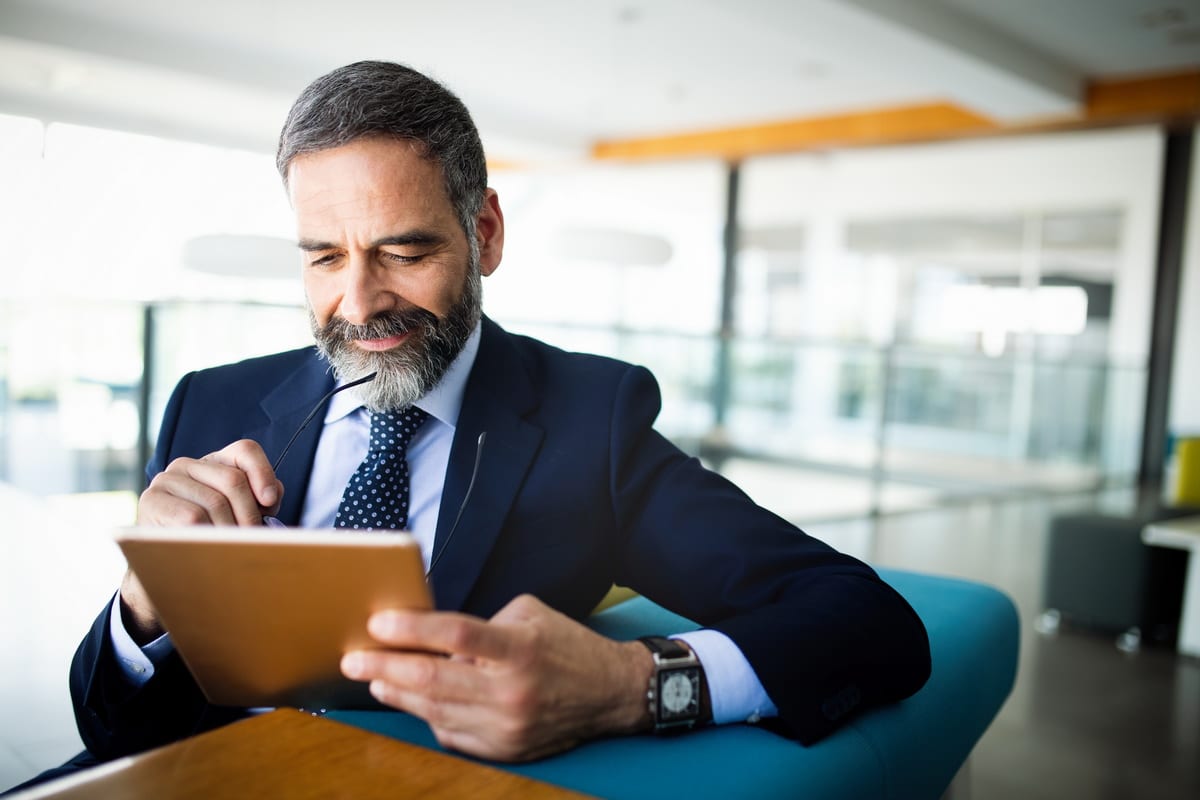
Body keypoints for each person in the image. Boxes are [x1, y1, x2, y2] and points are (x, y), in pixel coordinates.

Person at [68, 60, 930, 767]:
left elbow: (868, 622)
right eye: (324, 257)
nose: (358, 302)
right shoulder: (206, 403)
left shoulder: (592, 423)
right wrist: (141, 610)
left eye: (403, 250)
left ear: (486, 233)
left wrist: (632, 687)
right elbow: (109, 729)